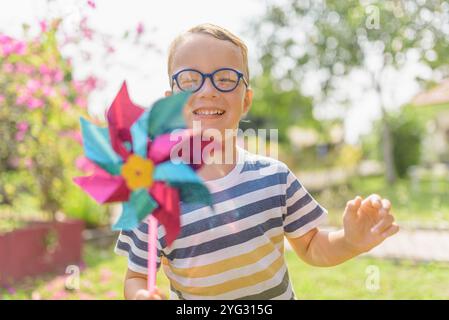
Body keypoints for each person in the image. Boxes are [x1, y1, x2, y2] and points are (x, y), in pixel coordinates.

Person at [115, 23, 399, 300]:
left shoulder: (275, 177)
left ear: (246, 100)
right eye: (189, 80)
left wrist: (349, 241)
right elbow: (137, 275)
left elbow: (312, 246)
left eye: (225, 78)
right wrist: (140, 294)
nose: (207, 90)